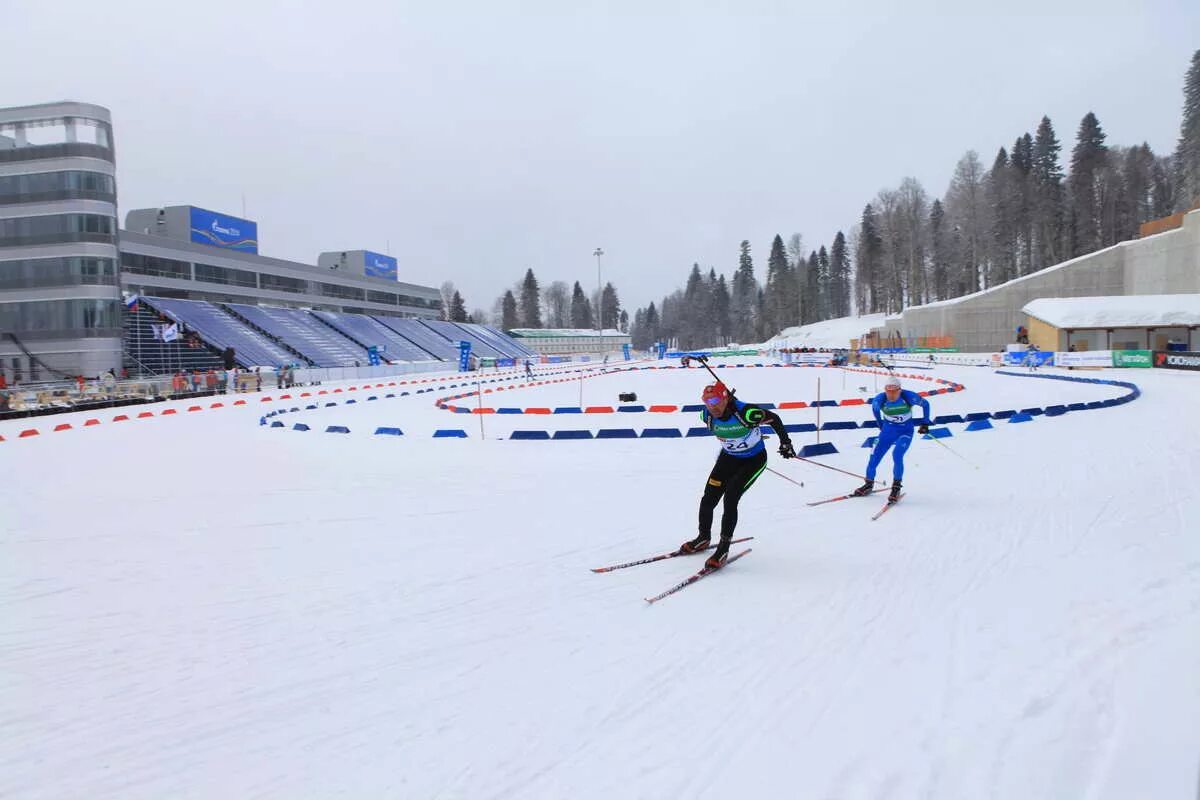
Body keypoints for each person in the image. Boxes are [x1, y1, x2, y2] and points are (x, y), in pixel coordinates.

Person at [679, 382, 796, 569]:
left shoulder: (748, 413)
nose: (712, 406)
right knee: (708, 498)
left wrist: (786, 443)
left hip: (753, 460)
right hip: (728, 459)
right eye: (707, 401)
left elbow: (774, 418)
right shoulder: (706, 415)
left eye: (716, 400)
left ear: (726, 397)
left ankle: (723, 549)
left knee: (731, 497)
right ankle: (703, 538)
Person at [851, 377, 930, 503]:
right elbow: (876, 415)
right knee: (874, 457)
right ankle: (868, 484)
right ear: (885, 390)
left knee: (897, 455)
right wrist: (882, 427)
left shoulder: (909, 396)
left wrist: (925, 423)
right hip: (888, 431)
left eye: (894, 392)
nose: (891, 395)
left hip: (905, 432)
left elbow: (926, 404)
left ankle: (896, 487)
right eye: (889, 391)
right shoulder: (879, 400)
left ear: (900, 390)